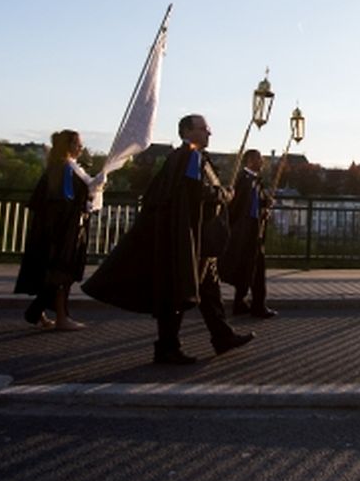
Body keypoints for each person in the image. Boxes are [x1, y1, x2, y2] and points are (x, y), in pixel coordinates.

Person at [83, 114, 254, 365]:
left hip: (195, 238)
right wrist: (224, 194)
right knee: (179, 290)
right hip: (191, 239)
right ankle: (167, 348)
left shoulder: (182, 158)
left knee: (208, 289)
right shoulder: (190, 157)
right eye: (204, 129)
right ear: (187, 132)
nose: (209, 133)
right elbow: (197, 193)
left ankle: (221, 337)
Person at [14, 130, 101, 331]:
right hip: (64, 231)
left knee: (48, 271)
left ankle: (41, 314)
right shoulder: (67, 169)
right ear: (69, 146)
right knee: (62, 273)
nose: (81, 147)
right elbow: (66, 201)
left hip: (51, 229)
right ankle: (62, 317)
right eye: (78, 144)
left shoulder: (57, 168)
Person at [219, 149, 277, 318]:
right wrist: (261, 211)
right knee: (257, 271)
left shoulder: (251, 181)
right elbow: (245, 208)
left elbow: (253, 204)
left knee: (246, 268)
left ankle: (240, 303)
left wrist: (265, 204)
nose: (262, 162)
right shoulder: (245, 181)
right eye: (260, 159)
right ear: (250, 160)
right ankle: (258, 307)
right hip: (248, 233)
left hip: (248, 232)